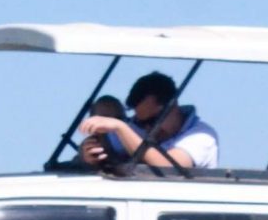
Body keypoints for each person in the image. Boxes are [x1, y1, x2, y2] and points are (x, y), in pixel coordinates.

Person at [79, 73, 219, 171]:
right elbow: (102, 142)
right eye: (141, 123)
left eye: (152, 121)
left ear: (173, 107)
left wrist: (121, 128)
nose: (147, 129)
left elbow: (170, 168)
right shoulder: (135, 127)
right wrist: (89, 152)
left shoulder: (201, 136)